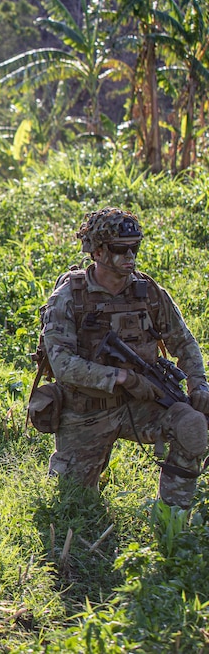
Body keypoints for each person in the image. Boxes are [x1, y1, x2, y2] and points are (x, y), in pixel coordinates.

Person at [34, 208, 209, 508]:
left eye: (135, 246)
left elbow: (184, 342)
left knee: (192, 426)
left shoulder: (148, 292)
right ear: (98, 251)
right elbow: (63, 365)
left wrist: (198, 383)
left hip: (142, 406)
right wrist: (123, 378)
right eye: (120, 248)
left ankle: (172, 519)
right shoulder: (69, 297)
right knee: (74, 505)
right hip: (85, 412)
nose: (130, 255)